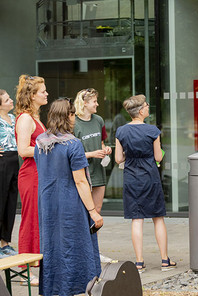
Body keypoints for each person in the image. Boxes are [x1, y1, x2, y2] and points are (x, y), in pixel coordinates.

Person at [35, 98, 103, 296]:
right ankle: (76, 287)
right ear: (69, 116)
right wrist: (93, 211)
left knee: (52, 245)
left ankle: (53, 288)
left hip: (47, 201)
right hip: (70, 201)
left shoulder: (41, 141)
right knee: (75, 244)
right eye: (73, 115)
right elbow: (81, 181)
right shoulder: (73, 144)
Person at [115, 95, 176, 273]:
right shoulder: (152, 131)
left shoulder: (121, 131)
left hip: (131, 178)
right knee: (158, 218)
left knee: (137, 219)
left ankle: (139, 263)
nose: (148, 108)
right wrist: (159, 154)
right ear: (141, 110)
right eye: (147, 106)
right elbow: (158, 157)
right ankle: (165, 260)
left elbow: (118, 158)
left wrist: (129, 156)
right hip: (150, 176)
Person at [73, 88, 114, 263]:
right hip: (82, 173)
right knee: (83, 213)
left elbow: (102, 142)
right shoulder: (73, 122)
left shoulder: (98, 120)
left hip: (98, 171)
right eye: (94, 101)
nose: (97, 104)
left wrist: (105, 149)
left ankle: (94, 250)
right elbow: (71, 152)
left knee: (96, 213)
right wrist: (90, 154)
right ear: (84, 103)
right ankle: (83, 251)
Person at [15, 74, 48, 286]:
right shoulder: (26, 118)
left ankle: (36, 262)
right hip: (31, 174)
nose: (46, 94)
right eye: (43, 91)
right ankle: (25, 269)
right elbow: (23, 150)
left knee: (39, 218)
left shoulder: (35, 118)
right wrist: (48, 147)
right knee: (30, 219)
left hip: (40, 173)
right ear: (32, 95)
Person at [0, 89, 19, 258]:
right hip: (2, 161)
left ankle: (6, 243)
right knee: (0, 201)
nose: (11, 101)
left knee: (11, 202)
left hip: (15, 160)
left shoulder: (13, 118)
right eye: (7, 100)